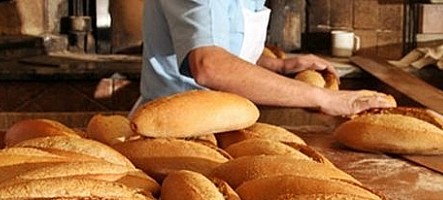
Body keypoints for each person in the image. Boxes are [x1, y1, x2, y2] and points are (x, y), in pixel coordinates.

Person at [133, 0, 396, 117]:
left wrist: (280, 66)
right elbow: (208, 64)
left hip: (226, 122)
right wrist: (324, 98)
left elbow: (231, 47)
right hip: (172, 127)